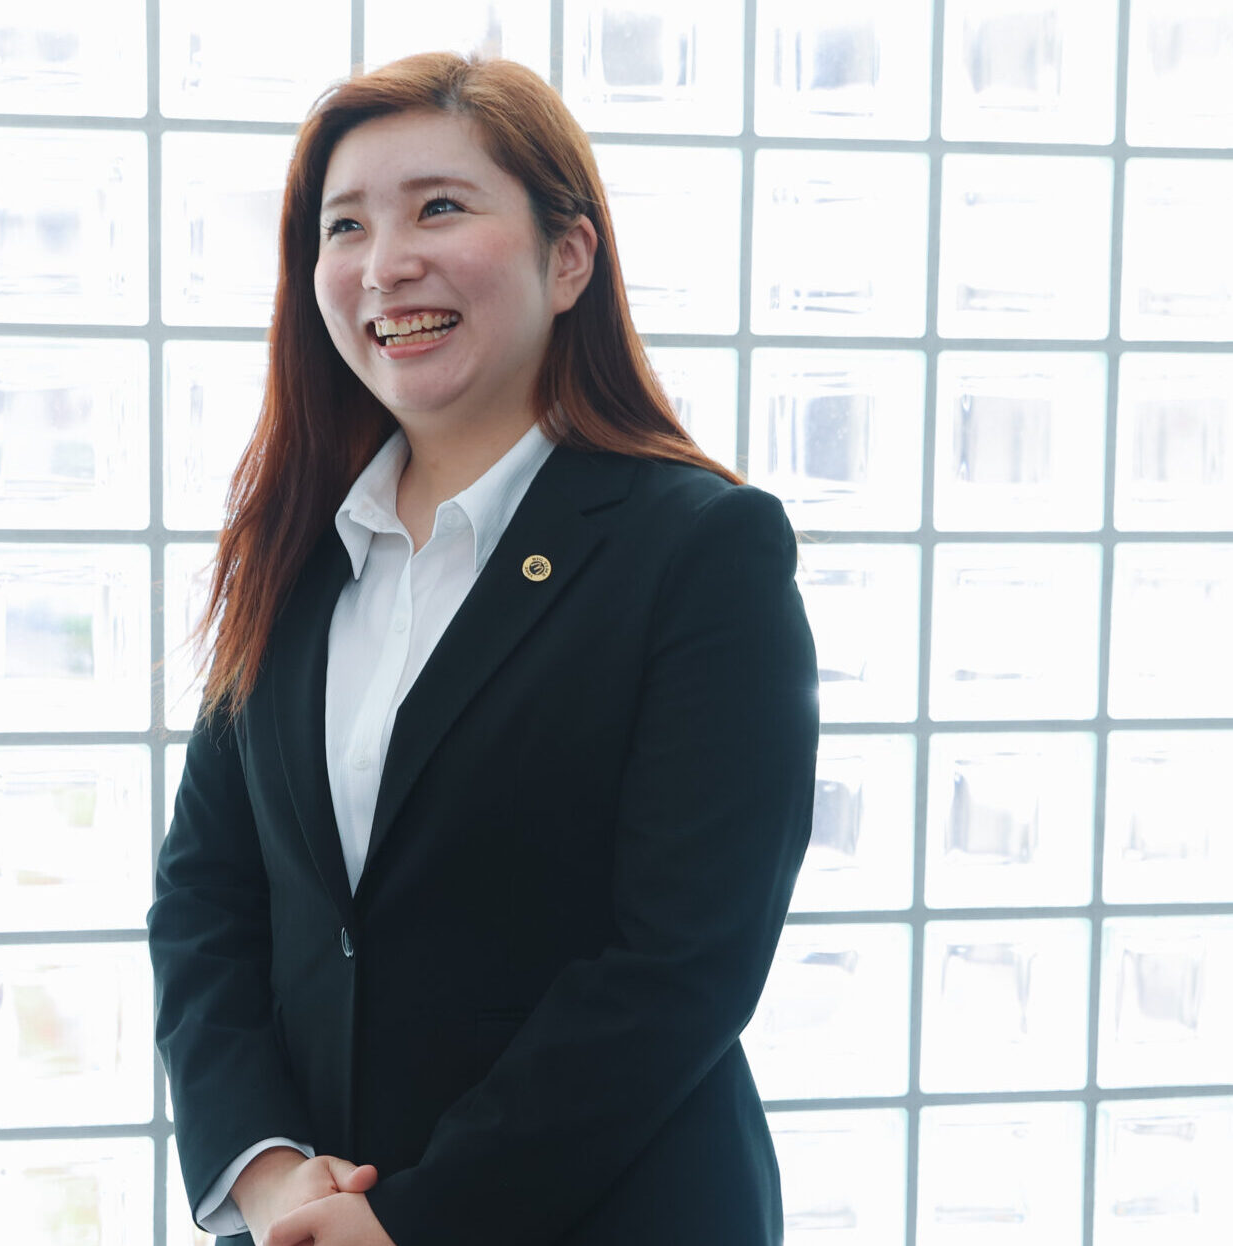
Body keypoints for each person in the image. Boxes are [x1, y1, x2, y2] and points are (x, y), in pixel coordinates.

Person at [146, 51, 820, 1246]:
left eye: (439, 207)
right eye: (345, 226)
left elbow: (678, 963)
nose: (384, 263)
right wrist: (269, 1175)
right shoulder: (294, 548)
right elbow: (207, 898)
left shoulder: (702, 549)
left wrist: (411, 1223)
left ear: (569, 258)